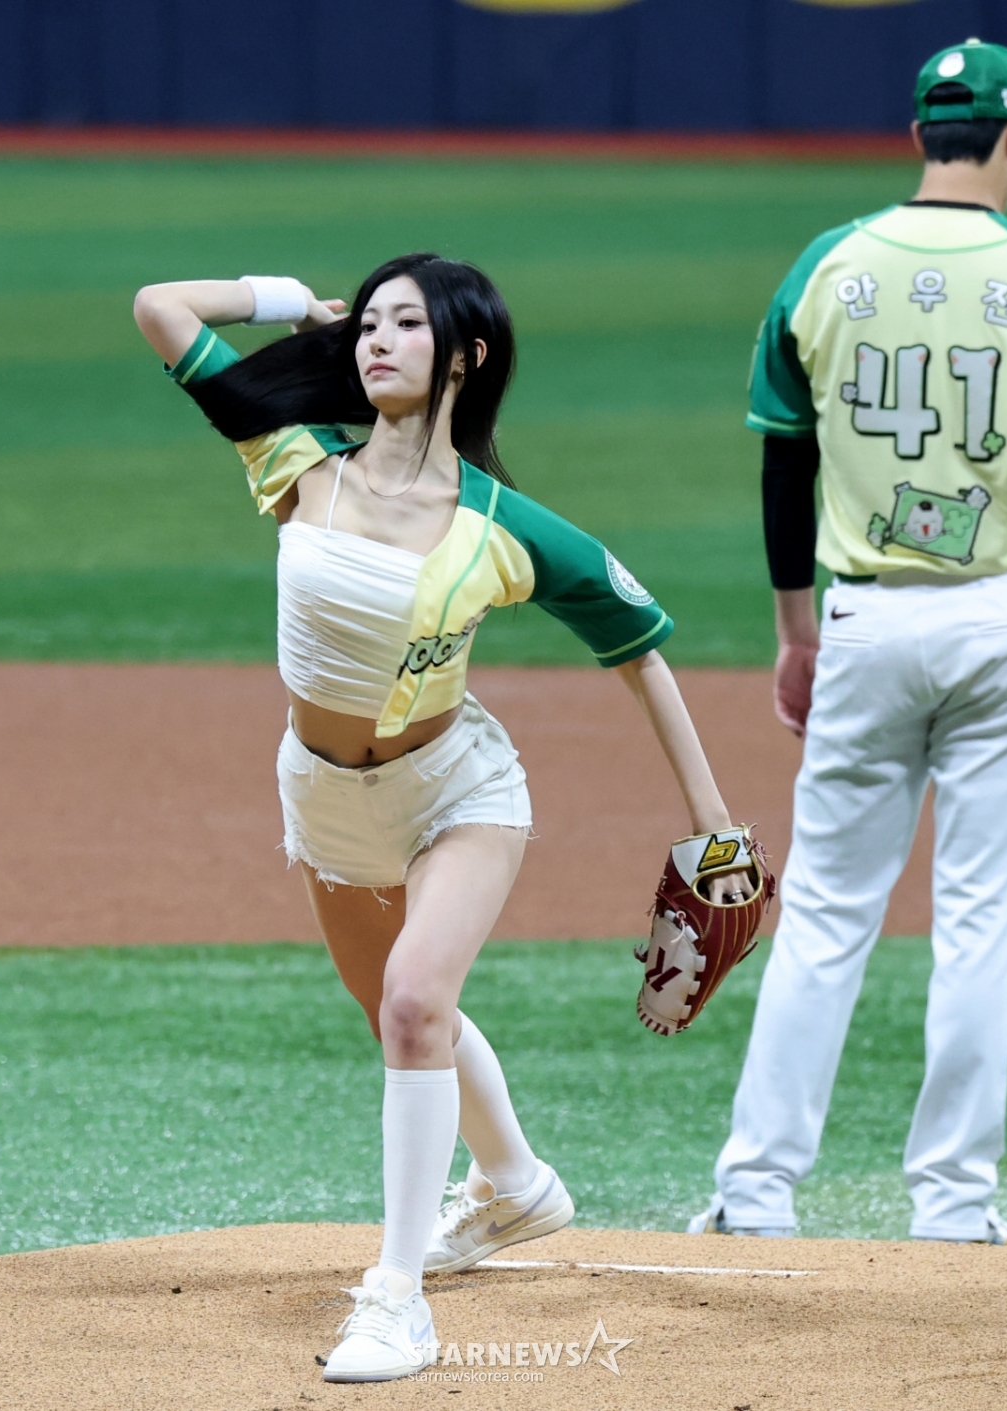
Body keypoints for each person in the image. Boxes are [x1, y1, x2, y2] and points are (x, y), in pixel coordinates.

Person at [134, 253, 749, 1381]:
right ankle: (515, 1184)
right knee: (397, 1008)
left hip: (458, 790)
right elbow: (160, 309)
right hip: (323, 799)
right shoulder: (292, 455)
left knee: (416, 1004)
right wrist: (292, 302)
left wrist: (713, 827)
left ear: (465, 356)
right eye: (369, 322)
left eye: (406, 323)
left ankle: (396, 1299)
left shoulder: (503, 526)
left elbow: (637, 646)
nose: (377, 339)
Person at [689, 39, 1007, 1245]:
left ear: (923, 136)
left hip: (866, 617)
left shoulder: (827, 266)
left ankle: (757, 1192)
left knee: (828, 910)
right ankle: (954, 1203)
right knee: (981, 921)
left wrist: (794, 630)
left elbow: (785, 458)